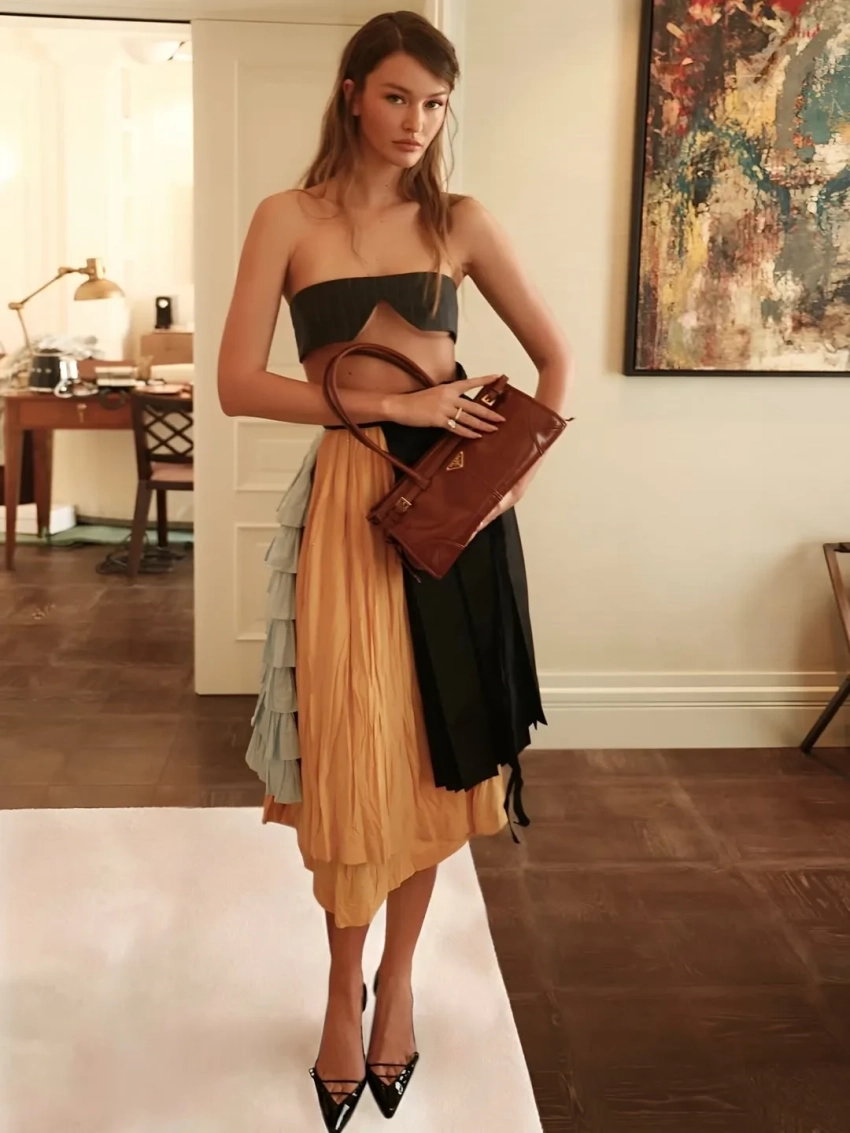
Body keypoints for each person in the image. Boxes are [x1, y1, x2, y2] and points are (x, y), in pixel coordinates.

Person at [217, 10, 572, 1130]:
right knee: (351, 753)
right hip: (349, 503)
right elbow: (236, 384)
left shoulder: (459, 221)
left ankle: (399, 981)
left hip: (451, 513)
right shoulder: (287, 218)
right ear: (351, 93)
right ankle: (341, 989)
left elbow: (554, 356)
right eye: (397, 96)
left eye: (435, 102)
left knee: (432, 755)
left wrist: (511, 479)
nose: (417, 121)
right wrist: (396, 406)